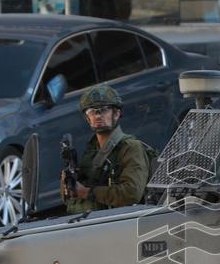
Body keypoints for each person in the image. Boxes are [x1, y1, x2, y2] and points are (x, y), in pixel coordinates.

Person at [63, 85, 155, 214]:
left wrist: (87, 192)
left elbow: (131, 193)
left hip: (120, 223)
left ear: (116, 114)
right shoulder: (91, 151)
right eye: (92, 111)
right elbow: (71, 198)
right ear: (87, 118)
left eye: (104, 110)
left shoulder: (130, 147)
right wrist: (68, 184)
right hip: (89, 223)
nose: (98, 116)